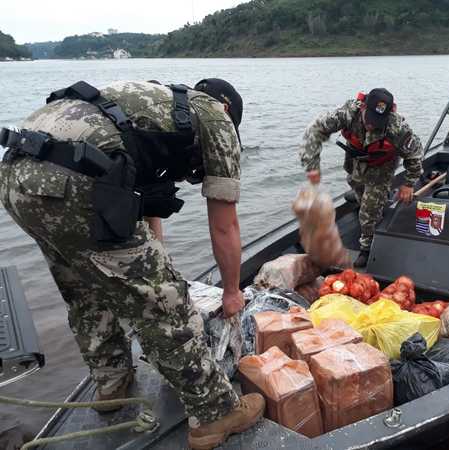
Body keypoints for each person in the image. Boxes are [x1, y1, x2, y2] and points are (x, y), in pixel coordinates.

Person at [0, 78, 264, 450]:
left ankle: (111, 384)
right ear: (227, 111)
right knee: (166, 307)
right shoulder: (216, 120)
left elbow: (141, 205)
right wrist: (232, 291)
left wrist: (153, 265)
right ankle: (215, 413)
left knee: (83, 288)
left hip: (16, 174)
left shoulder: (156, 104)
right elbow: (224, 225)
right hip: (74, 179)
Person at [299, 88, 424, 267]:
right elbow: (316, 128)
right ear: (364, 107)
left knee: (369, 210)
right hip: (356, 165)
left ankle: (367, 246)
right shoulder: (348, 113)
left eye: (377, 122)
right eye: (370, 119)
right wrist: (311, 164)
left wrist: (409, 183)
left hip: (382, 170)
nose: (372, 125)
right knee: (357, 188)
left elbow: (415, 154)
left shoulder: (397, 127)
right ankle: (371, 200)